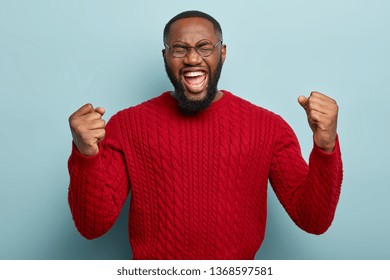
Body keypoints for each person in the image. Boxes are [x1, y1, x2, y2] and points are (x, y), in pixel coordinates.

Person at [67, 10, 343, 260]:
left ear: (222, 53)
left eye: (204, 47)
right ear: (165, 57)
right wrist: (85, 156)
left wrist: (326, 146)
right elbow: (92, 226)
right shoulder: (127, 125)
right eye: (179, 49)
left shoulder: (268, 128)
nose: (192, 58)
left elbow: (313, 220)